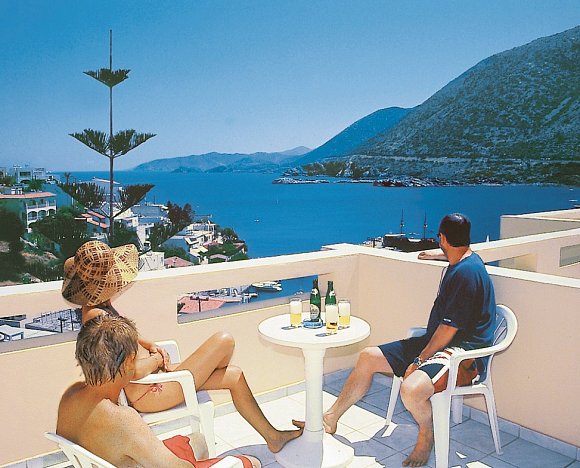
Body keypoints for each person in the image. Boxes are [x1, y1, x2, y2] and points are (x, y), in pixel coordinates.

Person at [61, 240, 302, 454]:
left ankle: (273, 437)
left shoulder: (100, 308)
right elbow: (127, 372)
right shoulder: (97, 317)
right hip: (149, 392)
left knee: (234, 375)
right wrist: (156, 360)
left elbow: (125, 342)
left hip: (154, 382)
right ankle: (268, 433)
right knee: (224, 340)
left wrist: (149, 345)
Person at [318, 213, 496, 467]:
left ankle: (427, 434)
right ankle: (330, 418)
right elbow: (454, 254)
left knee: (411, 390)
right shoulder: (464, 260)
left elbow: (448, 329)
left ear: (442, 238)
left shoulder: (466, 275)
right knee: (368, 357)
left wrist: (419, 360)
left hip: (462, 355)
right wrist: (435, 253)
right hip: (437, 342)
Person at [57, 313, 260, 467]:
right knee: (250, 462)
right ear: (129, 362)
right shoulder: (123, 419)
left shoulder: (70, 395)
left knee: (196, 442)